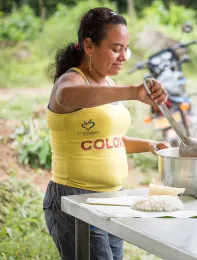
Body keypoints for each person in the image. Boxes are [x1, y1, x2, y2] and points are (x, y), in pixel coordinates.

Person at [43, 7, 170, 259]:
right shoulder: (71, 81)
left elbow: (107, 140)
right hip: (75, 199)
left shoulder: (107, 83)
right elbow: (66, 96)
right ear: (89, 46)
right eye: (115, 48)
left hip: (113, 199)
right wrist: (133, 92)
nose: (123, 56)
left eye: (126, 48)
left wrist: (148, 145)